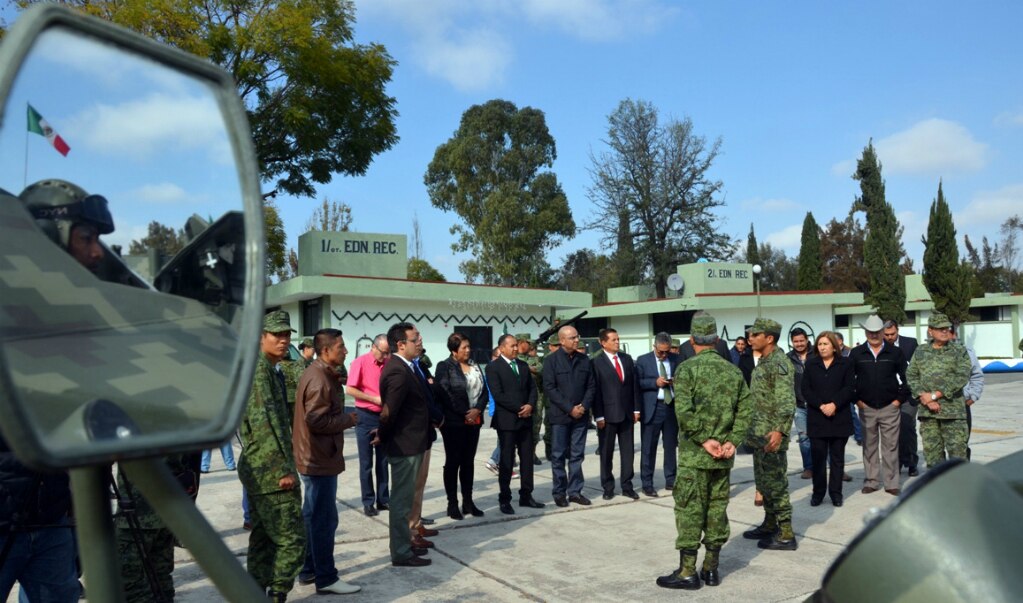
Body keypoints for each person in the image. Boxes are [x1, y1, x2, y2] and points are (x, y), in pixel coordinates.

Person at [656, 315, 751, 590]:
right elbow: (745, 410)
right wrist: (732, 441)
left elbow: (683, 411)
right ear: (717, 340)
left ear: (692, 340)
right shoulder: (733, 372)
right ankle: (711, 569)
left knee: (689, 510)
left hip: (695, 456)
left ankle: (688, 571)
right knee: (716, 510)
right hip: (723, 456)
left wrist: (703, 439)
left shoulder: (686, 370)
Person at [238, 310, 306, 602]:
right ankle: (277, 594)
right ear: (260, 337)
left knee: (264, 538)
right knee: (292, 539)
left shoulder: (270, 368)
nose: (284, 340)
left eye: (287, 334)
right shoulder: (259, 371)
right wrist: (282, 470)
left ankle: (255, 592)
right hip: (270, 471)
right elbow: (264, 423)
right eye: (277, 334)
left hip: (261, 467)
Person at [292, 329, 360, 595]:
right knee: (324, 519)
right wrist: (348, 419)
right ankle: (326, 577)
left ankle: (309, 569)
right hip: (317, 458)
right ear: (326, 350)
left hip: (315, 456)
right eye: (341, 347)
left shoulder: (321, 373)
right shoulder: (319, 378)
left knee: (313, 516)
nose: (345, 351)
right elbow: (316, 420)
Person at [377, 322, 432, 567]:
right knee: (401, 502)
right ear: (401, 344)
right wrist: (383, 435)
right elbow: (389, 413)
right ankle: (400, 552)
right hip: (404, 445)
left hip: (413, 442)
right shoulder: (397, 371)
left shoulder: (407, 367)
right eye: (415, 338)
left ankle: (406, 543)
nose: (419, 342)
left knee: (407, 500)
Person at [742, 317, 798, 551]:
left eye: (755, 334)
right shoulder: (764, 361)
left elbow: (786, 401)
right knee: (763, 481)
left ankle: (786, 533)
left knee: (776, 483)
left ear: (769, 338)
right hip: (759, 434)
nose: (750, 338)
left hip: (772, 434)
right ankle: (770, 523)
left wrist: (779, 430)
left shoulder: (779, 363)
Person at [486, 334, 545, 514]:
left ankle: (526, 495)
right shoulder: (493, 367)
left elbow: (532, 389)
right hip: (507, 421)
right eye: (511, 346)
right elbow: (498, 394)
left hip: (525, 420)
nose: (515, 349)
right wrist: (520, 408)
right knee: (506, 460)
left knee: (527, 459)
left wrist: (530, 406)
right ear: (501, 348)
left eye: (516, 346)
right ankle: (505, 498)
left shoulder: (523, 365)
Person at [850, 315, 908, 496]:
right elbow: (848, 380)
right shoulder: (856, 353)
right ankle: (872, 481)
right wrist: (857, 401)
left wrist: (898, 401)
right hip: (866, 407)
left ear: (883, 332)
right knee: (869, 446)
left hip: (890, 407)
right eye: (870, 332)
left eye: (877, 331)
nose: (874, 335)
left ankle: (891, 483)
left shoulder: (895, 353)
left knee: (890, 446)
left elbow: (907, 378)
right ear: (865, 332)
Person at [906, 314, 972, 470]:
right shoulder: (921, 351)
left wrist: (935, 395)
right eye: (940, 328)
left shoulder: (959, 351)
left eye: (946, 328)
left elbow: (962, 376)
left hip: (953, 414)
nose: (944, 331)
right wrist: (925, 397)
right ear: (930, 331)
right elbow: (911, 375)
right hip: (928, 414)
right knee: (933, 459)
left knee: (958, 459)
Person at [435, 333, 488, 519]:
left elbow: (484, 391)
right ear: (454, 350)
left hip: (474, 421)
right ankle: (452, 503)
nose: (468, 350)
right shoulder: (444, 366)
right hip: (454, 422)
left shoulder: (475, 365)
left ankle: (468, 502)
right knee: (453, 462)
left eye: (468, 346)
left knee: (468, 461)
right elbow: (445, 393)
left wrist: (478, 410)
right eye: (464, 347)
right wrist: (466, 413)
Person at [543, 325, 596, 507]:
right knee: (558, 455)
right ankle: (559, 492)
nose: (576, 340)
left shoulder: (584, 360)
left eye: (577, 336)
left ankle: (575, 492)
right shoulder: (551, 361)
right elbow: (550, 388)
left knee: (577, 455)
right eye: (572, 338)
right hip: (560, 416)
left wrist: (583, 406)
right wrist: (569, 408)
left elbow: (591, 386)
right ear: (562, 340)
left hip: (580, 416)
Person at [802, 332, 855, 507]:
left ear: (834, 346)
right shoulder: (811, 364)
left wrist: (834, 404)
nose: (822, 347)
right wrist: (821, 405)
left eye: (826, 344)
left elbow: (849, 388)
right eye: (820, 344)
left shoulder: (845, 363)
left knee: (837, 459)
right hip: (818, 418)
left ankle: (836, 493)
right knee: (818, 458)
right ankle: (818, 493)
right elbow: (806, 389)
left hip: (839, 417)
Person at [591, 328, 640, 500]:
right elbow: (596, 391)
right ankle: (608, 487)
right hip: (607, 415)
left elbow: (634, 385)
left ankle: (627, 485)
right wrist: (598, 416)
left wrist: (636, 409)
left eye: (618, 339)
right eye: (613, 340)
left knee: (628, 453)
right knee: (606, 453)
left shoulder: (626, 359)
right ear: (603, 343)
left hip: (627, 414)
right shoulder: (596, 362)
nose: (617, 342)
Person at [345, 335, 391, 517]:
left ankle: (383, 499)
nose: (385, 356)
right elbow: (350, 389)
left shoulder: (388, 363)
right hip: (365, 416)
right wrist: (372, 399)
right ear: (373, 347)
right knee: (366, 462)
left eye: (388, 353)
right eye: (383, 352)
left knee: (383, 461)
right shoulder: (360, 363)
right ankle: (368, 501)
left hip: (383, 416)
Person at [634, 332, 681, 497]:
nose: (664, 355)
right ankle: (647, 483)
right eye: (661, 351)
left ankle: (671, 480)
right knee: (648, 448)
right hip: (652, 409)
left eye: (667, 351)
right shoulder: (643, 360)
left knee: (670, 446)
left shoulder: (676, 359)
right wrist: (654, 383)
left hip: (670, 408)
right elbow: (637, 383)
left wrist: (676, 382)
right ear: (654, 346)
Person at [883, 320, 920, 476]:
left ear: (897, 330)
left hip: (909, 394)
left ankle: (911, 462)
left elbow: (918, 367)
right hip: (889, 395)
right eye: (886, 335)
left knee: (907, 427)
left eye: (892, 334)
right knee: (892, 431)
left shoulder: (910, 344)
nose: (890, 337)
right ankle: (896, 462)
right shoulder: (880, 346)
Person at [787, 328, 814, 480]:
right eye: (796, 341)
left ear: (807, 340)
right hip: (799, 405)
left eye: (801, 340)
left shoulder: (817, 354)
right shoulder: (788, 358)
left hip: (818, 404)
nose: (799, 344)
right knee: (804, 437)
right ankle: (808, 467)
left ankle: (835, 467)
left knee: (825, 436)